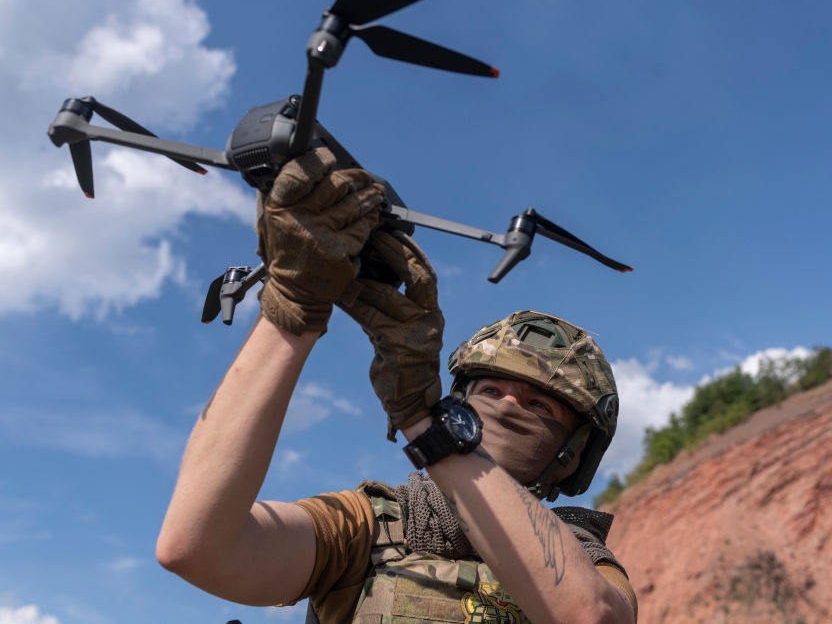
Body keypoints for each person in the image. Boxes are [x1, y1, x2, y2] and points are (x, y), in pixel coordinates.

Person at [155, 148, 638, 623]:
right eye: (490, 391)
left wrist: (426, 426)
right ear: (461, 405)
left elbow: (590, 615)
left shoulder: (584, 555)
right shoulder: (364, 527)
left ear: (572, 455)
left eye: (539, 406)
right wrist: (292, 306)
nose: (509, 402)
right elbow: (197, 548)